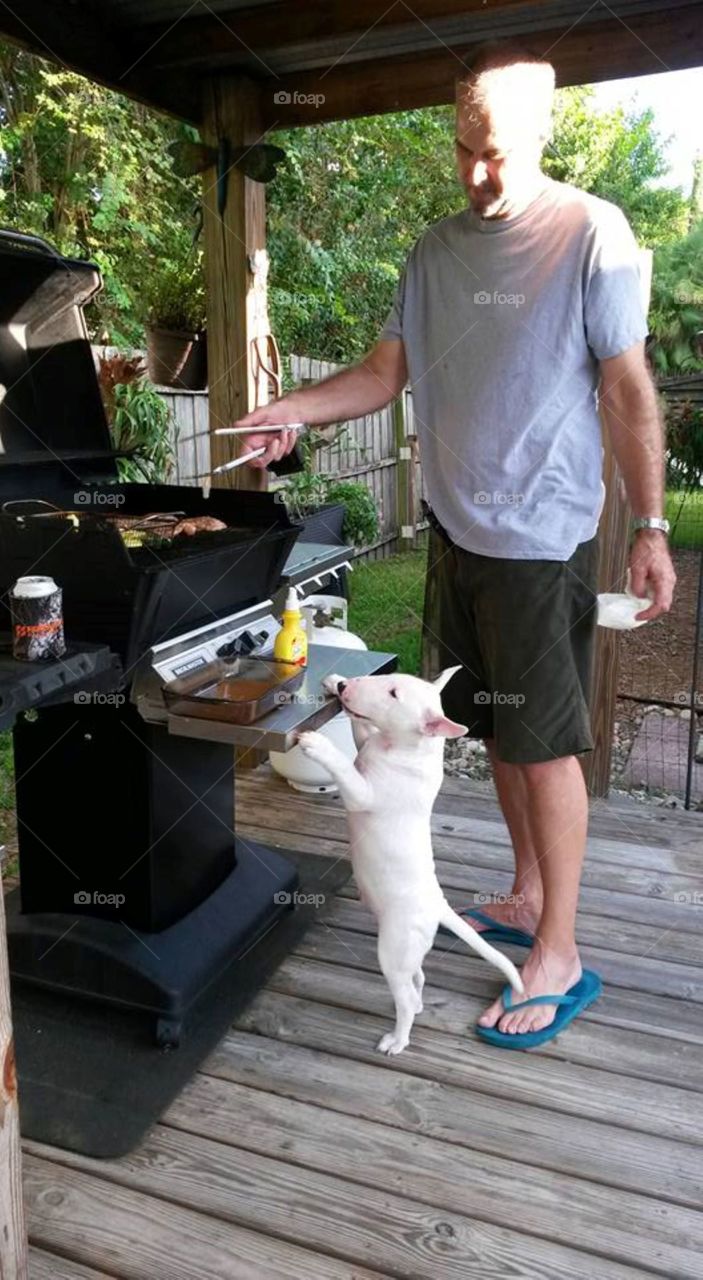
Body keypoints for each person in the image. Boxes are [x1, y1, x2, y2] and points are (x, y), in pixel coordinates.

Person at [234, 41, 676, 1046]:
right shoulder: (435, 251)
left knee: (544, 741)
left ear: (540, 139)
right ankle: (523, 892)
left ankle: (556, 949)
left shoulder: (589, 234)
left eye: (498, 153)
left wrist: (649, 526)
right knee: (485, 728)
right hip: (457, 530)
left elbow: (625, 390)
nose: (478, 171)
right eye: (464, 148)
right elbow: (383, 371)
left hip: (540, 540)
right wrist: (295, 409)